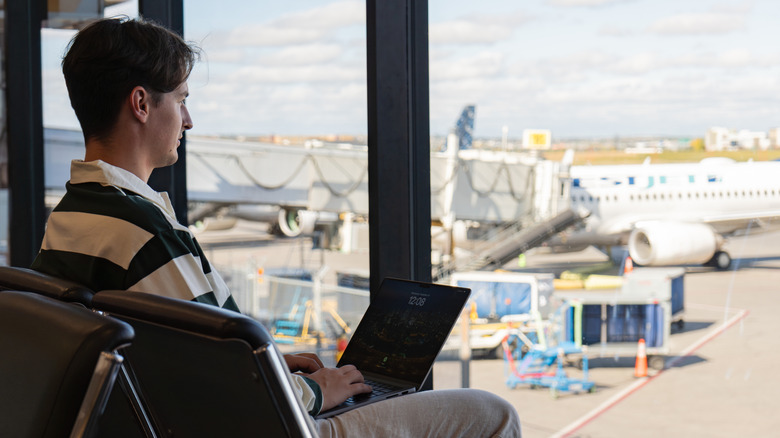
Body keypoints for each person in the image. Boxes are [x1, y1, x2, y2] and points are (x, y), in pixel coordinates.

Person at [32, 17, 521, 437]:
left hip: (180, 413)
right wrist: (314, 391)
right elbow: (223, 392)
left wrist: (267, 365)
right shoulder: (141, 232)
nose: (188, 119)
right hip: (271, 425)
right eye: (180, 99)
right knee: (492, 413)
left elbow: (184, 359)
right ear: (141, 104)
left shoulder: (73, 214)